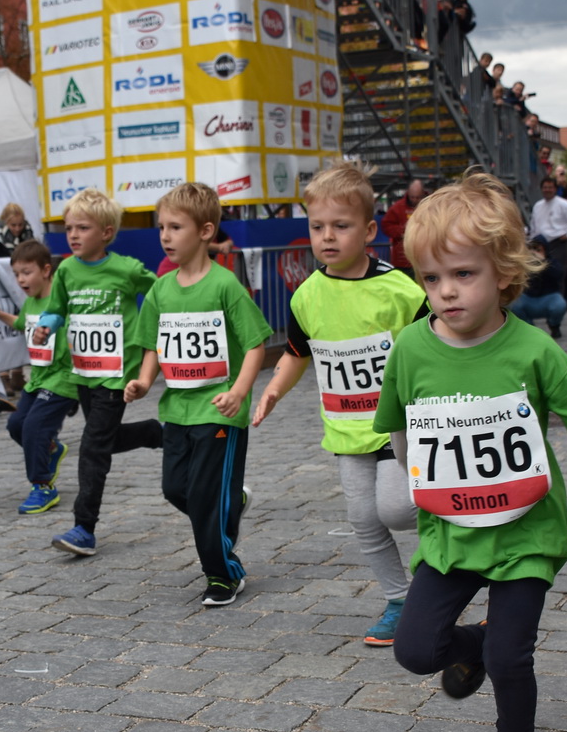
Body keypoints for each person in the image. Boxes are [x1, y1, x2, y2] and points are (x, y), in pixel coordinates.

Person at [373, 173, 567, 732]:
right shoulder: (410, 348)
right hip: (451, 530)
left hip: (525, 533)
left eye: (462, 275)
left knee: (512, 656)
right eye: (431, 279)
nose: (446, 292)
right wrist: (417, 489)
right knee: (414, 651)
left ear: (504, 272)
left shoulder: (535, 350)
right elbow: (403, 428)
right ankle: (483, 644)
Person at [252, 160, 426, 644]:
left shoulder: (400, 290)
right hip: (346, 433)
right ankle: (399, 600)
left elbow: (432, 347)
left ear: (369, 230)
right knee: (363, 520)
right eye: (317, 226)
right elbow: (296, 352)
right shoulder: (307, 296)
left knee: (395, 511)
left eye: (341, 226)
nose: (327, 236)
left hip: (399, 430)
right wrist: (272, 389)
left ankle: (446, 542)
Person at [125, 183, 271, 607]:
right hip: (178, 409)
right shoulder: (161, 289)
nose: (165, 236)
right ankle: (231, 500)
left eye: (175, 227)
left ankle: (224, 574)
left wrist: (239, 392)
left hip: (219, 411)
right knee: (176, 489)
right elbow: (153, 344)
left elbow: (257, 344)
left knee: (204, 499)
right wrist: (143, 381)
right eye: (161, 228)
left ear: (206, 231)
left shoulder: (225, 285)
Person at [31, 189, 163, 557]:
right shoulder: (67, 271)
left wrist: (149, 334)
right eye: (68, 228)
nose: (72, 235)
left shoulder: (126, 269)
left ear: (106, 232)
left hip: (117, 373)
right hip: (84, 372)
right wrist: (46, 325)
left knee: (92, 449)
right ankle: (154, 432)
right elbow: (56, 309)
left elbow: (160, 292)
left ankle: (84, 528)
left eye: (82, 228)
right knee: (104, 438)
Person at [0, 240, 77, 515]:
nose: (21, 279)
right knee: (16, 425)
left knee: (34, 426)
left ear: (46, 270)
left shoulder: (60, 299)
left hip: (62, 378)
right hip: (39, 378)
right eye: (16, 273)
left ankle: (42, 486)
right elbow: (22, 323)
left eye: (26, 272)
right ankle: (52, 449)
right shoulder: (32, 302)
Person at [526, 176, 567, 302]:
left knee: (558, 273)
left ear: (555, 189)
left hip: (558, 243)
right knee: (538, 273)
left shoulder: (563, 204)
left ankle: (560, 302)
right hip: (540, 244)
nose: (547, 190)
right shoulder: (537, 206)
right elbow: (534, 225)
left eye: (550, 187)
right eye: (545, 187)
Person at [508, 238, 567, 339]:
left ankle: (554, 325)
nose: (535, 252)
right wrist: (526, 260)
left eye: (538, 249)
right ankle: (530, 328)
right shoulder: (523, 263)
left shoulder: (552, 261)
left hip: (549, 297)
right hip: (528, 298)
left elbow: (559, 275)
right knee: (513, 305)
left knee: (560, 305)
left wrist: (544, 261)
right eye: (532, 248)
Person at [378, 178, 425, 273]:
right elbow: (386, 226)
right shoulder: (398, 207)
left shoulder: (429, 205)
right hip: (403, 261)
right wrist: (404, 231)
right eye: (412, 197)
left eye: (418, 197)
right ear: (408, 193)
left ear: (422, 194)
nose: (415, 200)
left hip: (424, 258)